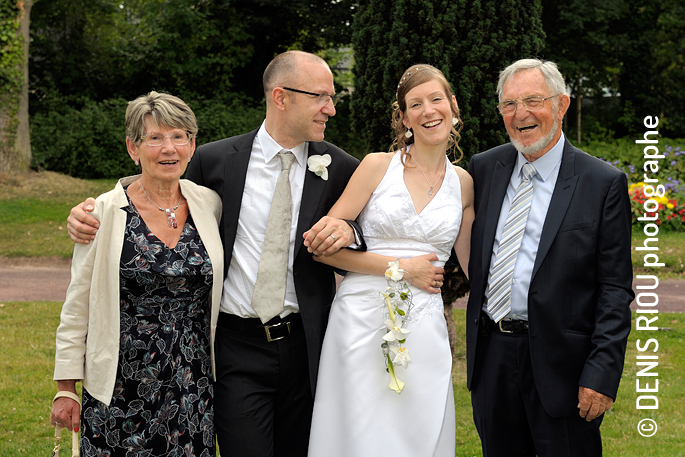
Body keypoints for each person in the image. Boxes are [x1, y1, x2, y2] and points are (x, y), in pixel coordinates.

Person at [66, 51, 361, 456]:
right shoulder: (217, 161)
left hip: (307, 347)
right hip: (235, 349)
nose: (330, 108)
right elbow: (166, 191)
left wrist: (349, 228)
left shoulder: (342, 167)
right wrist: (94, 211)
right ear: (281, 97)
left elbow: (372, 229)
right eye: (320, 97)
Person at [466, 58, 634, 456]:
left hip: (565, 366)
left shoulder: (602, 182)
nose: (520, 114)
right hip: (492, 360)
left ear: (562, 104)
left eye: (533, 100)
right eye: (509, 104)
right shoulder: (483, 168)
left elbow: (614, 290)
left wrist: (601, 374)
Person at [305, 64, 474, 456]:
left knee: (417, 429)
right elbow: (322, 247)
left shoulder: (464, 183)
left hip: (425, 325)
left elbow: (474, 265)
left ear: (452, 106)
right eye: (416, 104)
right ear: (404, 117)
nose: (428, 110)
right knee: (359, 429)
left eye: (436, 99)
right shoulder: (377, 166)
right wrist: (400, 269)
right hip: (360, 321)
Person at [51, 91, 224, 456]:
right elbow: (77, 302)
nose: (169, 148)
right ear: (133, 148)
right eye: (155, 138)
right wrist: (66, 386)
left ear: (192, 146)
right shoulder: (103, 211)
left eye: (179, 136)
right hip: (118, 384)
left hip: (191, 382)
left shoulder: (209, 204)